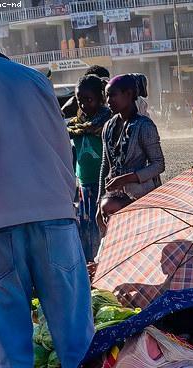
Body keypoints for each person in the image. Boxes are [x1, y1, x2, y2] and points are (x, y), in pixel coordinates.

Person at [0, 40, 95, 368]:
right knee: (77, 342)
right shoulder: (34, 80)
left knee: (12, 350)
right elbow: (63, 149)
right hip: (56, 221)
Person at [97, 74, 165, 212]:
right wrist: (100, 201)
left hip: (141, 197)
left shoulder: (144, 126)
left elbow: (158, 165)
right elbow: (105, 166)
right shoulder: (108, 126)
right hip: (112, 198)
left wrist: (127, 179)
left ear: (128, 94)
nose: (108, 101)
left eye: (113, 95)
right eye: (107, 96)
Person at [67, 73, 112, 262]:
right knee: (85, 229)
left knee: (100, 228)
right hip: (84, 187)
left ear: (100, 98)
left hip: (103, 185)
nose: (84, 105)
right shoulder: (74, 125)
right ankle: (88, 267)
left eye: (89, 99)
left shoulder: (108, 122)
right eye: (80, 100)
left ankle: (101, 264)